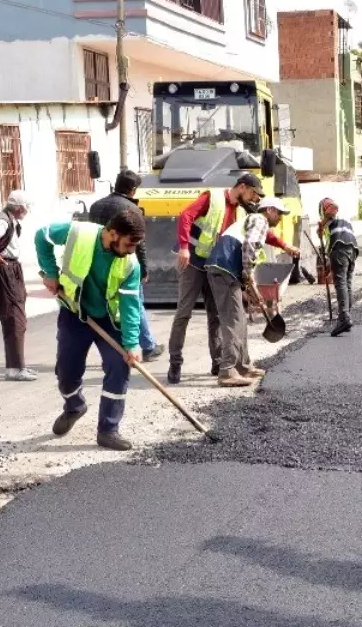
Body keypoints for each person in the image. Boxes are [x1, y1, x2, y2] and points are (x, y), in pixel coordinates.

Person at [167, 174, 299, 384]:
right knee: (185, 313)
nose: (255, 200)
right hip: (193, 262)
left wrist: (284, 246)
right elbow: (185, 215)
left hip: (215, 263)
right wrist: (184, 247)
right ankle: (176, 362)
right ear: (242, 187)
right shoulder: (214, 198)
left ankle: (221, 363)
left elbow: (258, 233)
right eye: (254, 194)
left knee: (219, 317)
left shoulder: (243, 211)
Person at [35, 208, 146, 452]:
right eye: (128, 244)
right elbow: (41, 235)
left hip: (109, 320)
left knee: (119, 367)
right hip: (74, 313)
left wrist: (131, 343)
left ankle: (108, 430)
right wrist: (50, 272)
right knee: (66, 370)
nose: (131, 251)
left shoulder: (130, 264)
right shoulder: (78, 233)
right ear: (113, 233)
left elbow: (130, 305)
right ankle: (74, 406)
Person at [205, 197, 291, 388]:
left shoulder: (251, 220)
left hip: (227, 270)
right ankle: (227, 371)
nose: (280, 218)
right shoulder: (260, 220)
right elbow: (249, 246)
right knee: (233, 320)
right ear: (269, 210)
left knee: (241, 319)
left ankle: (243, 366)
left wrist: (248, 287)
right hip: (224, 269)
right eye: (279, 213)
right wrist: (249, 276)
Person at [88, 170, 165, 362]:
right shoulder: (132, 209)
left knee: (106, 304)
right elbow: (138, 244)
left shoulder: (96, 205)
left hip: (97, 263)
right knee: (133, 303)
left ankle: (118, 345)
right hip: (123, 265)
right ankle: (146, 345)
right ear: (133, 190)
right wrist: (144, 269)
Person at [0, 190, 36, 382]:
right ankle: (16, 369)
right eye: (26, 207)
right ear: (19, 208)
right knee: (15, 318)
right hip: (6, 271)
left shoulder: (10, 220)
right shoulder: (3, 221)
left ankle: (15, 366)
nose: (27, 211)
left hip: (11, 269)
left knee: (15, 317)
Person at [317, 198, 360, 337]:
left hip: (340, 247)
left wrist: (321, 225)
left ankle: (344, 318)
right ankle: (346, 316)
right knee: (346, 283)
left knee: (341, 284)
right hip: (352, 249)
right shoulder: (342, 222)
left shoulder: (331, 213)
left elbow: (333, 207)